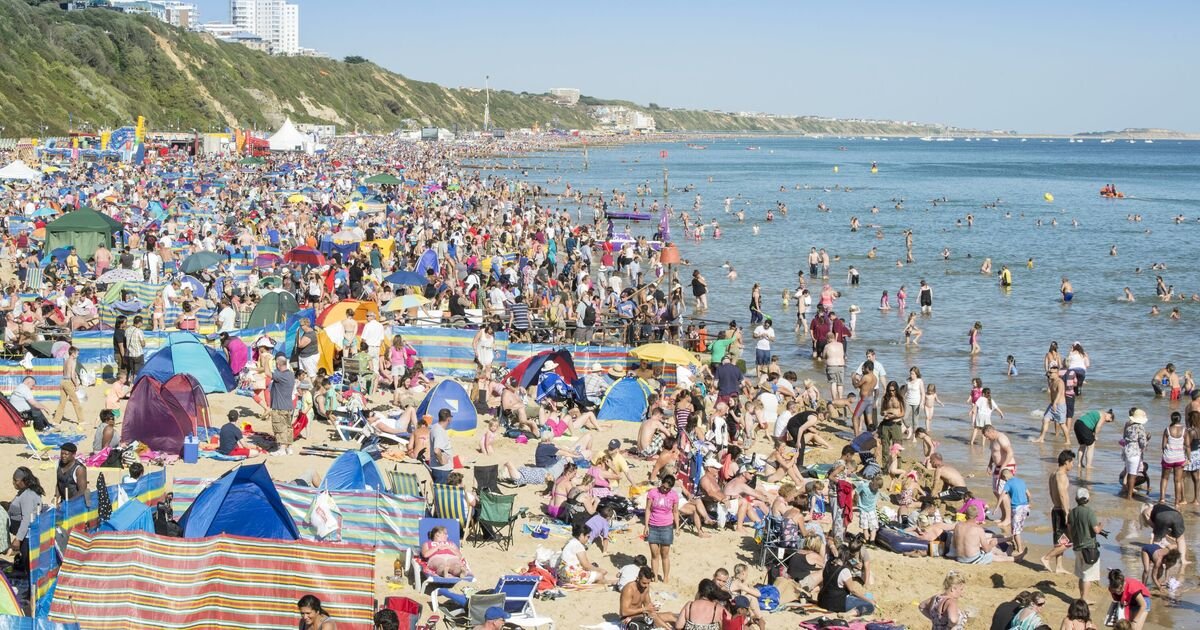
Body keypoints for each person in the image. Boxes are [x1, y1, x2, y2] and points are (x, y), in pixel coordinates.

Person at [8, 467, 44, 580]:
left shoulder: (28, 495)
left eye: (16, 480)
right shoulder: (25, 492)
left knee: (29, 564)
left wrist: (18, 538)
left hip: (27, 536)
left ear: (25, 481)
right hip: (26, 535)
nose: (13, 482)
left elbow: (26, 518)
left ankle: (30, 593)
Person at [1041, 450, 1075, 574]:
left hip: (1055, 508)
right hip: (1061, 510)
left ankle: (1059, 566)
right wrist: (1066, 512)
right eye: (1072, 462)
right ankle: (1046, 557)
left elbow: (1051, 492)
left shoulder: (1052, 474)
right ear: (1066, 462)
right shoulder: (1061, 475)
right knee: (1070, 542)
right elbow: (1062, 494)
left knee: (1061, 541)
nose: (1073, 465)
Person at [818, 545, 875, 616]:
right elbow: (853, 591)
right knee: (870, 606)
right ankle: (848, 614)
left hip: (823, 601)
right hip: (838, 603)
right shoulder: (844, 571)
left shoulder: (827, 564)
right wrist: (868, 600)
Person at [644, 474, 680, 583]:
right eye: (663, 487)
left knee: (665, 554)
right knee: (654, 554)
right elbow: (648, 509)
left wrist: (677, 527)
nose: (664, 490)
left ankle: (665, 577)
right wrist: (646, 525)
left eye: (667, 488)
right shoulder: (652, 493)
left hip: (666, 526)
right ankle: (654, 576)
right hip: (653, 525)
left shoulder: (674, 495)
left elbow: (675, 511)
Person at [1068, 488, 1102, 600]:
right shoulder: (1089, 512)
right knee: (1088, 575)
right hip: (1089, 547)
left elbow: (1069, 529)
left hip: (1077, 547)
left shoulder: (1072, 512)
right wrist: (1101, 526)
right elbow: (1096, 530)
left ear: (1076, 499)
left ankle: (1082, 597)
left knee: (1081, 575)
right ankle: (1084, 600)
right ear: (1087, 499)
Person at [1140, 503, 1187, 567]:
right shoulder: (1160, 507)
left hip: (1162, 516)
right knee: (1180, 538)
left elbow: (1152, 524)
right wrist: (1166, 532)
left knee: (1157, 540)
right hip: (1177, 515)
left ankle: (1154, 558)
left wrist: (1158, 530)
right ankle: (1183, 560)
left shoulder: (1147, 510)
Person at [268, 354, 296, 456]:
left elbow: (268, 373)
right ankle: (289, 448)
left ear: (278, 364)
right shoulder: (291, 374)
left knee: (279, 428)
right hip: (288, 406)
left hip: (279, 406)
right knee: (288, 427)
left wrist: (266, 361)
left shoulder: (280, 375)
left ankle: (282, 449)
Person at [1122, 409, 1150, 499]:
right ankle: (1129, 496)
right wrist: (1147, 440)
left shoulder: (1129, 426)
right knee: (1133, 475)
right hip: (1135, 452)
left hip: (1127, 451)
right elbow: (1142, 443)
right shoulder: (1140, 427)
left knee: (1129, 473)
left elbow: (1124, 438)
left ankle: (1127, 492)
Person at [1160, 411, 1187, 504]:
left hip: (1169, 457)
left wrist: (1165, 454)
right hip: (1180, 458)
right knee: (1178, 481)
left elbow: (1163, 446)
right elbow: (1187, 445)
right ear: (1180, 419)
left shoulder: (1167, 429)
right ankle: (1176, 502)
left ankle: (1162, 499)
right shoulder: (1184, 430)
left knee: (1164, 478)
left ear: (1172, 419)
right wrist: (1189, 458)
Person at [53, 346, 83, 425]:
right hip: (68, 382)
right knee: (75, 401)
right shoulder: (72, 361)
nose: (78, 355)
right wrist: (76, 384)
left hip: (63, 381)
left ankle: (56, 420)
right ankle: (81, 420)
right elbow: (72, 374)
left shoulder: (66, 361)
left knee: (62, 403)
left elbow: (65, 372)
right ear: (73, 354)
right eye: (77, 353)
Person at [56, 442, 88, 508]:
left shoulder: (79, 469)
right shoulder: (59, 464)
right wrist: (56, 498)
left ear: (73, 455)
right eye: (62, 453)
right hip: (64, 502)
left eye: (66, 454)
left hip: (76, 504)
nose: (63, 456)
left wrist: (68, 503)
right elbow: (59, 483)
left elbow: (82, 491)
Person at [429, 408, 455, 484]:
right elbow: (437, 450)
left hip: (439, 469)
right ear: (448, 419)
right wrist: (442, 461)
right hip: (442, 470)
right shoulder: (439, 431)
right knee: (442, 494)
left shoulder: (435, 427)